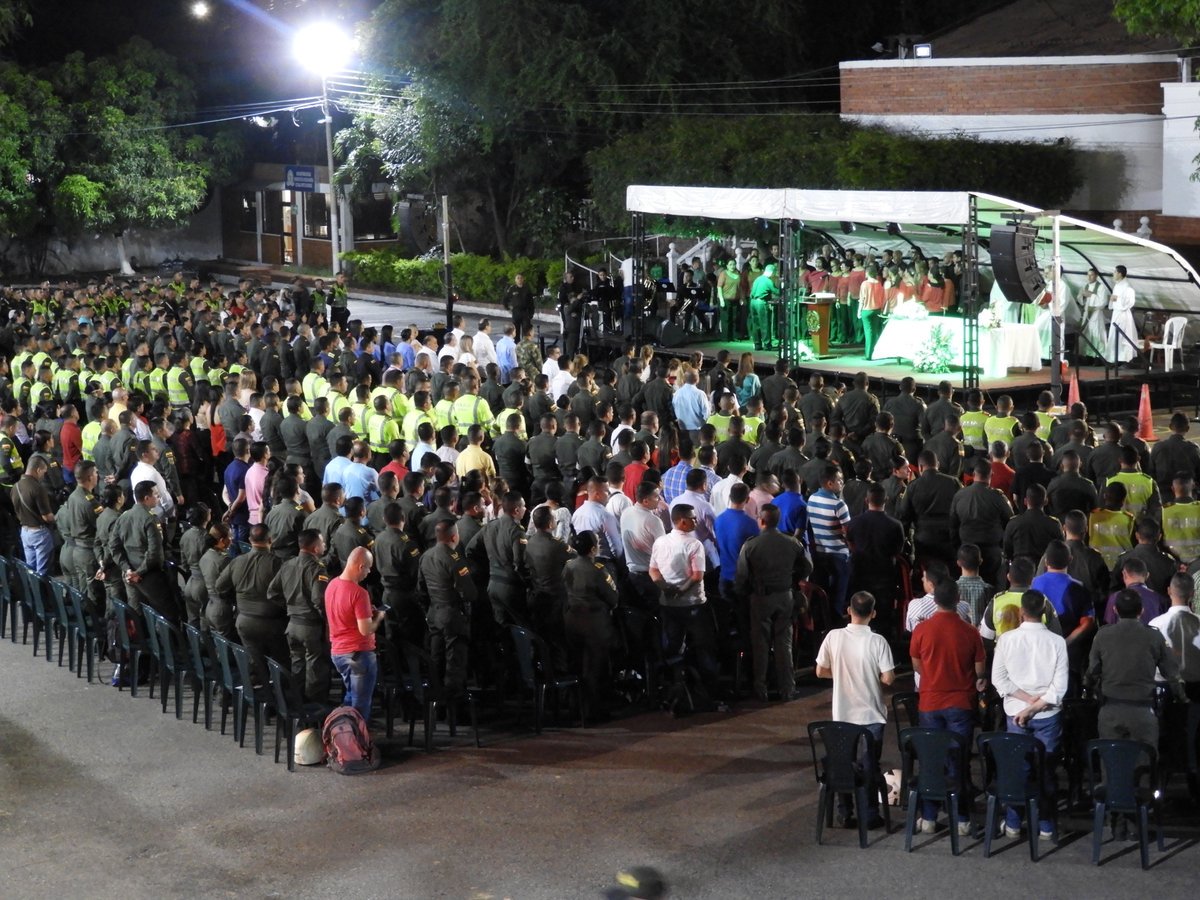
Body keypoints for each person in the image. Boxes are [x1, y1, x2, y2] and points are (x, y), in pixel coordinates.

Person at [909, 580, 986, 836]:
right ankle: (961, 818)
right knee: (958, 761)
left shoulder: (922, 630)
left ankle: (929, 817)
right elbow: (979, 670)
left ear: (935, 600)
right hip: (960, 704)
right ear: (958, 598)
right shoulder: (970, 632)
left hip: (929, 702)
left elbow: (916, 664)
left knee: (932, 760)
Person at [990, 589, 1069, 840]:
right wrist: (1035, 705)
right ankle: (1045, 825)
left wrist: (1025, 703)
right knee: (1046, 769)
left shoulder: (1006, 640)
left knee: (1018, 769)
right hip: (1048, 715)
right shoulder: (1057, 642)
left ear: (1022, 611)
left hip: (1015, 713)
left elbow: (999, 679)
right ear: (1044, 611)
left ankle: (1013, 823)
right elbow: (1060, 687)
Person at [814, 590, 895, 830]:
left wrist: (841, 674)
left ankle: (845, 812)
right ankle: (870, 814)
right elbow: (888, 678)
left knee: (843, 763)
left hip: (842, 714)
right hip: (872, 715)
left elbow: (820, 671)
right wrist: (869, 675)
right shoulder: (878, 641)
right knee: (870, 766)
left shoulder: (833, 637)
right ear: (873, 613)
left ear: (849, 611)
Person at [1087, 588, 1186, 747]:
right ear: (1141, 610)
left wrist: (1089, 691)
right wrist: (1182, 698)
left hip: (1111, 711)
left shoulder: (1102, 636)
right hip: (1143, 711)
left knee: (1111, 758)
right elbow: (1172, 674)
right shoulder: (1154, 636)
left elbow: (1092, 671)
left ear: (1115, 610)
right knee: (1145, 758)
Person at [735, 502, 812, 701]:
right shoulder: (792, 543)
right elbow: (807, 567)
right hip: (785, 596)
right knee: (784, 644)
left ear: (761, 521)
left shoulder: (751, 545)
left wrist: (743, 594)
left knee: (760, 644)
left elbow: (741, 577)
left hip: (761, 598)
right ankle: (787, 688)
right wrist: (793, 579)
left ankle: (760, 688)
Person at [218, 523, 285, 689]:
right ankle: (280, 696)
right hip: (273, 623)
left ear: (249, 540)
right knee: (280, 664)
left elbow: (220, 587)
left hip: (245, 621)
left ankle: (259, 695)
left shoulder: (237, 561)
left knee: (255, 663)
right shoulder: (277, 563)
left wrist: (237, 601)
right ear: (270, 540)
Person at [269, 528, 331, 704]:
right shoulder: (317, 569)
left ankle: (298, 703)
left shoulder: (287, 565)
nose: (324, 545)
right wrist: (327, 620)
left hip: (292, 625)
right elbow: (319, 600)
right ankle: (315, 707)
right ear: (315, 548)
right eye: (322, 542)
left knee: (297, 665)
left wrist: (290, 606)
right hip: (311, 626)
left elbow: (272, 592)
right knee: (316, 667)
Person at [562, 530, 619, 720]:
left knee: (576, 665)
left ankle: (575, 707)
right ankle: (593, 711)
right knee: (595, 668)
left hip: (572, 621)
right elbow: (613, 598)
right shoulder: (598, 570)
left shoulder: (569, 565)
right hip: (594, 624)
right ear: (593, 549)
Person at [419, 520, 478, 699]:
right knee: (455, 663)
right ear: (454, 537)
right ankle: (455, 705)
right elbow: (469, 592)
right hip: (452, 616)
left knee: (436, 659)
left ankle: (437, 703)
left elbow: (421, 589)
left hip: (434, 614)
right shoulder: (455, 560)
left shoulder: (425, 556)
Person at [326, 546, 383, 724]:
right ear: (360, 566)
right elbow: (366, 630)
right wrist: (379, 617)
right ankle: (357, 738)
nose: (369, 572)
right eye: (368, 568)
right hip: (358, 654)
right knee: (360, 706)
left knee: (350, 700)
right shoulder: (359, 593)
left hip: (338, 653)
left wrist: (365, 612)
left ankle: (344, 734)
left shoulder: (332, 584)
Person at [1105, 265, 1137, 364]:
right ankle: (1114, 359)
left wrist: (1116, 299)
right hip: (1116, 314)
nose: (1113, 274)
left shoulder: (1127, 287)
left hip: (1123, 315)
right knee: (1114, 336)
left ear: (1120, 274)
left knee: (1123, 337)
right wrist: (1113, 299)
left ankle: (1124, 360)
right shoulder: (1117, 285)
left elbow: (1129, 302)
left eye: (1115, 272)